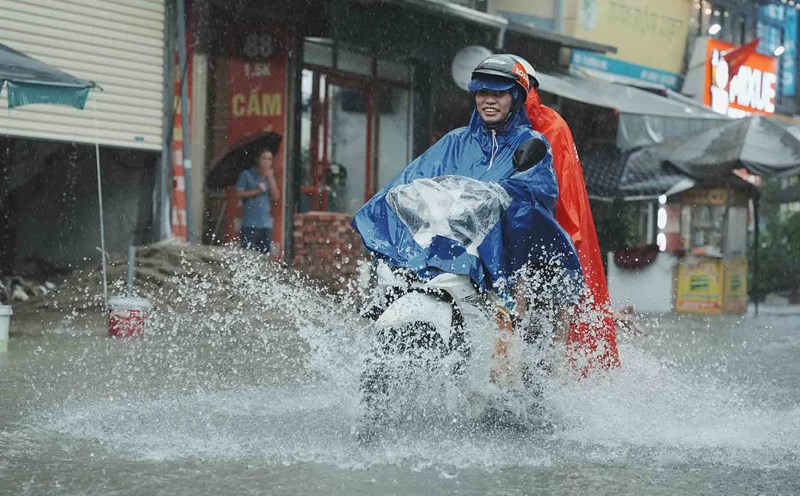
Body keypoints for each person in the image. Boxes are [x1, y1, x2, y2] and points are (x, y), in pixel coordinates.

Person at [353, 54, 582, 316]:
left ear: (516, 98)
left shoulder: (530, 141)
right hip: (452, 240)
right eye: (483, 92)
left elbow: (537, 191)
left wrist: (501, 195)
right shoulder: (456, 141)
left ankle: (512, 348)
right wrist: (393, 198)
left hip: (507, 253)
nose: (489, 100)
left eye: (499, 94)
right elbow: (416, 177)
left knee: (513, 314)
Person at [512, 55, 621, 374]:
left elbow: (562, 197)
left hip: (548, 245)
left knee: (545, 336)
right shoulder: (494, 128)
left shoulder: (551, 127)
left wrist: (561, 248)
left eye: (509, 89)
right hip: (509, 245)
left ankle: (545, 398)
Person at [235, 148, 279, 254]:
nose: (266, 162)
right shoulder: (246, 175)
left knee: (265, 255)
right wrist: (258, 191)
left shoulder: (270, 177)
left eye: (269, 159)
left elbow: (276, 196)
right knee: (248, 255)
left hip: (266, 224)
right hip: (250, 223)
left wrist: (271, 178)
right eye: (264, 158)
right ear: (257, 160)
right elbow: (239, 194)